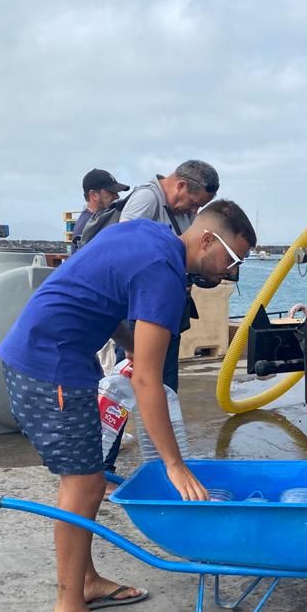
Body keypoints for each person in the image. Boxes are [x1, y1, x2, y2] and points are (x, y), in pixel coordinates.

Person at [0, 200, 256, 612]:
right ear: (208, 240)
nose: (231, 273)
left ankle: (87, 581)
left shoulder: (148, 235)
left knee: (91, 480)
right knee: (82, 484)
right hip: (50, 366)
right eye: (232, 260)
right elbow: (148, 382)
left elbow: (101, 293)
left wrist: (127, 345)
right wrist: (175, 465)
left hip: (45, 353)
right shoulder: (164, 274)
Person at [101, 160, 221, 478]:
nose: (194, 210)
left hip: (166, 312)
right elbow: (123, 254)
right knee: (127, 390)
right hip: (137, 314)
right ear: (181, 185)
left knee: (164, 390)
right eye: (195, 203)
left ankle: (161, 466)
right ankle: (103, 468)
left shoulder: (183, 213)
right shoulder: (146, 199)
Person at [71, 168, 130, 252]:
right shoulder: (87, 228)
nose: (117, 196)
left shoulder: (97, 221)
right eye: (112, 192)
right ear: (94, 195)